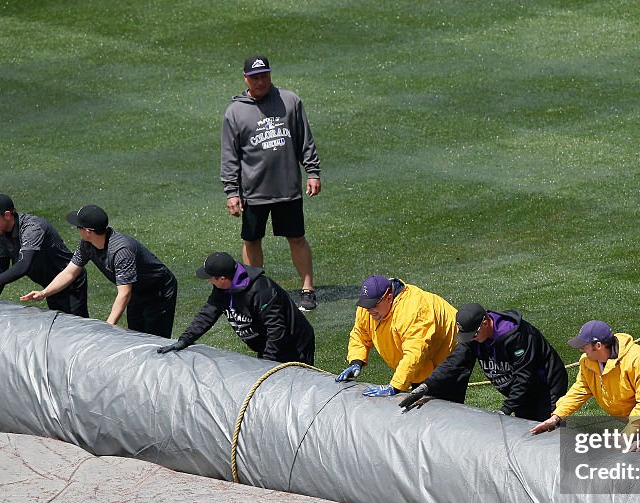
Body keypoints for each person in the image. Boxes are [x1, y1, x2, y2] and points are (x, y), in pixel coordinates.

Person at [221, 55, 322, 312]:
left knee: (297, 237)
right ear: (245, 79)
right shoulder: (235, 111)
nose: (260, 81)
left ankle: (308, 288)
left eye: (264, 75)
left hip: (287, 188)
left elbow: (304, 140)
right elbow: (230, 155)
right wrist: (231, 192)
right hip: (254, 192)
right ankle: (253, 288)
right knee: (252, 241)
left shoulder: (290, 101)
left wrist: (313, 172)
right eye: (255, 77)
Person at [21, 205, 178, 337]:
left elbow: (124, 293)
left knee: (155, 340)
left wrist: (108, 327)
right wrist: (44, 293)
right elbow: (69, 272)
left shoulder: (121, 251)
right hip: (137, 291)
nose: (77, 230)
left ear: (88, 231)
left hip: (158, 292)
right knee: (136, 336)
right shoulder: (86, 244)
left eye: (78, 227)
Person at [400, 303, 568, 420]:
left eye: (473, 335)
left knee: (548, 432)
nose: (471, 339)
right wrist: (426, 386)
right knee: (526, 430)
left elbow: (525, 376)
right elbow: (454, 363)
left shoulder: (516, 336)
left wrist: (505, 410)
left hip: (546, 386)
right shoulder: (474, 338)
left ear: (486, 322)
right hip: (521, 392)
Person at [157, 252, 314, 363]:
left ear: (223, 279)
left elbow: (276, 329)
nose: (209, 281)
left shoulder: (262, 291)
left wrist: (267, 363)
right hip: (269, 346)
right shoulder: (222, 289)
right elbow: (207, 314)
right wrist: (184, 340)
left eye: (211, 278)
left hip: (294, 345)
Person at [0, 194, 88, 317]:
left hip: (70, 281)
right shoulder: (3, 233)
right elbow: (2, 266)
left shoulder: (33, 228)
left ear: (7, 215)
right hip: (50, 283)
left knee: (77, 327)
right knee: (61, 324)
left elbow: (23, 265)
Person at [530, 320, 640, 435]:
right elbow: (580, 389)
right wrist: (556, 416)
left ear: (598, 345)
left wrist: (629, 432)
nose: (581, 349)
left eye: (584, 346)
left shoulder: (638, 360)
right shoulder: (587, 362)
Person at [336, 275, 458, 398]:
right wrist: (356, 362)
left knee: (442, 405)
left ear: (389, 298)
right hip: (424, 358)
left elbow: (415, 353)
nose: (369, 310)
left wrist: (395, 386)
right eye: (366, 305)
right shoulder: (367, 308)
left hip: (450, 350)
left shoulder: (412, 310)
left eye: (373, 305)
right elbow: (360, 334)